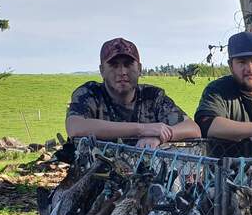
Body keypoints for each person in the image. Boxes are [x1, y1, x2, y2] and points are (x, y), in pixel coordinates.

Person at [65, 37, 200, 148]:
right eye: (114, 65)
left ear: (139, 68)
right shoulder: (90, 93)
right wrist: (143, 129)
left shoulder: (153, 96)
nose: (122, 72)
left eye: (128, 64)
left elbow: (193, 128)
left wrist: (161, 135)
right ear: (102, 70)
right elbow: (75, 126)